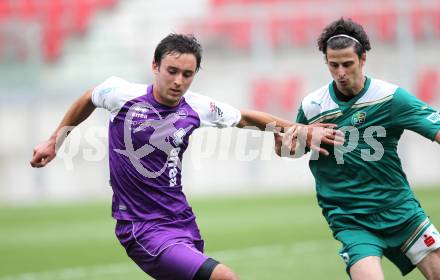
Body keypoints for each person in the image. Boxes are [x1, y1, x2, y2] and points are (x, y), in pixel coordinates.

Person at [30, 33, 341, 280]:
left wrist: (300, 129)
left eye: (188, 74)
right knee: (224, 277)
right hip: (142, 227)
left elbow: (244, 117)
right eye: (172, 71)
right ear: (155, 67)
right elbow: (89, 97)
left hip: (182, 220)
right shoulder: (120, 93)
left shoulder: (196, 106)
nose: (179, 80)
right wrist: (55, 141)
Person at [275, 18, 440, 280]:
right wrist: (283, 140)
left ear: (363, 59)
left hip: (400, 210)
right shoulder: (314, 105)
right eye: (333, 65)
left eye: (348, 64)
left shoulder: (390, 98)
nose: (341, 72)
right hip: (350, 218)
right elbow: (290, 149)